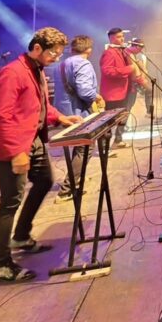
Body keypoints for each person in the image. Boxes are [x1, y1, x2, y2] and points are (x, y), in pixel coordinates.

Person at [0, 27, 81, 282]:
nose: (56, 58)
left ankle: (21, 236)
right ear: (37, 47)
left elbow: (39, 106)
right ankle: (1, 264)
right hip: (12, 145)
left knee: (44, 181)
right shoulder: (13, 72)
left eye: (59, 54)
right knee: (10, 201)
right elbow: (3, 115)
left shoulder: (35, 69)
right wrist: (17, 152)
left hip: (33, 139)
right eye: (53, 53)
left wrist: (59, 117)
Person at [50, 35, 101, 202]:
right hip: (78, 112)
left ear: (71, 49)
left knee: (79, 148)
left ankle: (76, 178)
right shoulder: (83, 64)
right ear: (89, 50)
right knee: (85, 149)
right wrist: (97, 97)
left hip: (64, 111)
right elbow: (85, 92)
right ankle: (67, 189)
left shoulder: (61, 64)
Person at [100, 27, 142, 147]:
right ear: (111, 38)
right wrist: (129, 69)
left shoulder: (122, 51)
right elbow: (108, 71)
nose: (122, 38)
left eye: (122, 36)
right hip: (114, 93)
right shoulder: (109, 53)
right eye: (118, 37)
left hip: (126, 90)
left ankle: (118, 141)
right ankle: (105, 147)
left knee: (124, 116)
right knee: (110, 120)